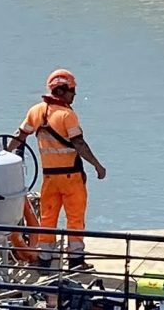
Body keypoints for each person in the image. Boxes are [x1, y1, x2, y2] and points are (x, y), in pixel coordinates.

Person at [8, 69, 107, 271]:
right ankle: (76, 260)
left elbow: (20, 135)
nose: (74, 95)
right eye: (71, 90)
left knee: (47, 218)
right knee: (75, 218)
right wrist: (97, 165)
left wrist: (3, 154)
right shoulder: (67, 115)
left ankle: (45, 259)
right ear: (61, 90)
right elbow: (78, 143)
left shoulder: (36, 111)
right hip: (71, 176)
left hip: (49, 177)